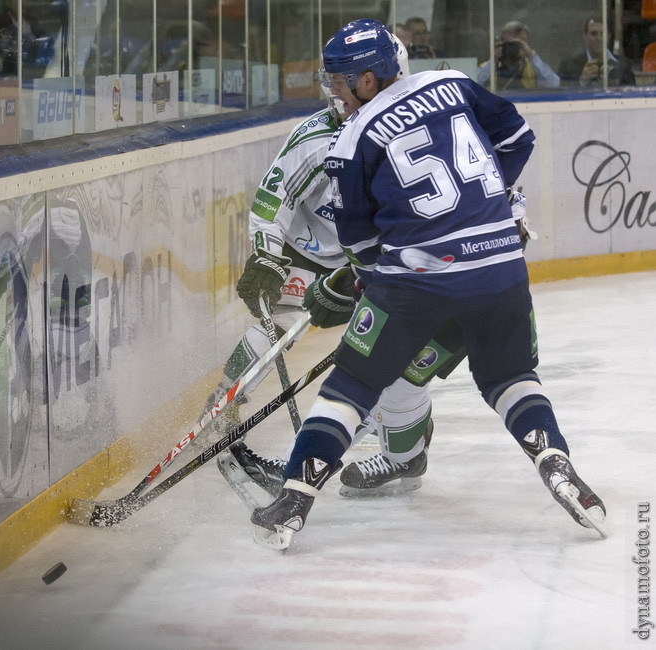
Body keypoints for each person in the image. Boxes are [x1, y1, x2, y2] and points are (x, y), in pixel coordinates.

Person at [251, 19, 606, 549]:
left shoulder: (351, 141)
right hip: (503, 269)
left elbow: (364, 246)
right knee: (511, 377)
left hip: (419, 281)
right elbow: (518, 136)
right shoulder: (454, 85)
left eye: (341, 81)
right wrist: (478, 204)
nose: (334, 92)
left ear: (370, 80)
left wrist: (362, 285)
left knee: (353, 382)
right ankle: (554, 460)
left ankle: (295, 499)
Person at [208, 36, 467, 499]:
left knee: (395, 361)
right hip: (308, 254)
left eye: (343, 81)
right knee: (279, 323)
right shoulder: (316, 137)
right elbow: (273, 201)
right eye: (332, 79)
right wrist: (267, 256)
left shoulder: (415, 134)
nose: (334, 91)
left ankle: (401, 455)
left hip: (379, 264)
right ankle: (223, 404)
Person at [477, 20, 559, 90]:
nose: (515, 46)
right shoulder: (490, 66)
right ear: (502, 43)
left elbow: (554, 84)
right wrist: (493, 60)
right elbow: (471, 86)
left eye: (520, 42)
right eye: (511, 42)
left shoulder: (532, 67)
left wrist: (532, 55)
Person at [558, 16, 635, 88]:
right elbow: (561, 95)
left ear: (608, 36)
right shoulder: (568, 66)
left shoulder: (624, 65)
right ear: (585, 37)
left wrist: (614, 86)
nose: (598, 38)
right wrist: (582, 82)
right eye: (593, 34)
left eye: (602, 34)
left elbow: (633, 95)